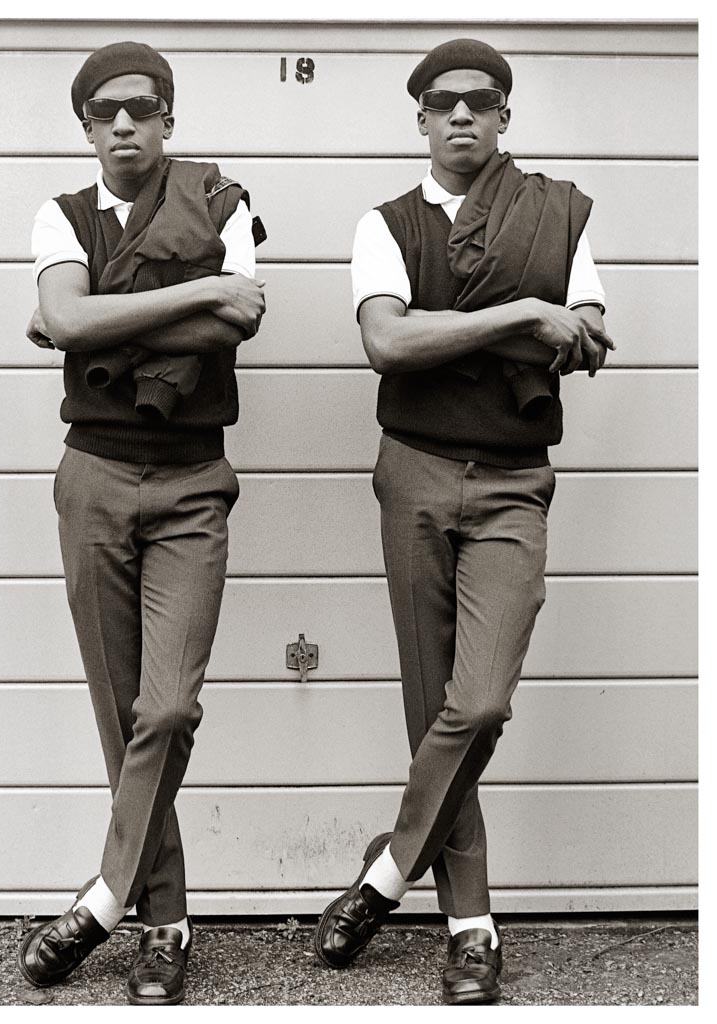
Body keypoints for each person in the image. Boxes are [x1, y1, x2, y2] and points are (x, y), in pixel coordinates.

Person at [313, 38, 614, 1005]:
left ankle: (386, 871)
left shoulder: (553, 214)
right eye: (441, 103)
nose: (460, 116)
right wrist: (522, 314)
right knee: (429, 698)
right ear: (420, 119)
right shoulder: (387, 224)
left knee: (477, 703)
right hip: (413, 469)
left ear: (502, 117)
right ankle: (470, 926)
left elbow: (589, 331)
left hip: (513, 481)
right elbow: (387, 341)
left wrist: (540, 326)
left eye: (479, 102)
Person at [16, 41, 265, 1006]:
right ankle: (166, 924)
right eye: (105, 113)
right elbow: (73, 322)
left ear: (168, 118)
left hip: (194, 481)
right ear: (86, 128)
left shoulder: (220, 202)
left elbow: (235, 323)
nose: (125, 125)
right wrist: (198, 289)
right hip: (94, 477)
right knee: (118, 715)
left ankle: (105, 896)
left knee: (166, 710)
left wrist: (88, 315)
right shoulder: (63, 214)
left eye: (143, 108)